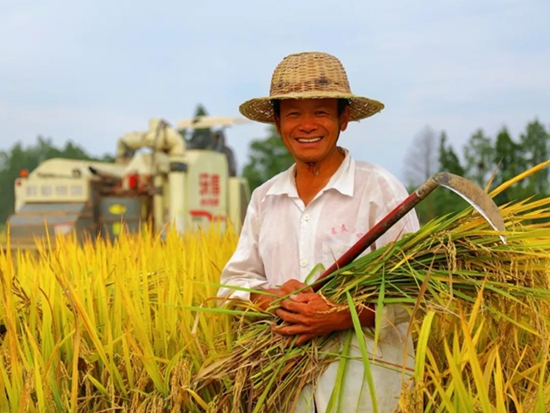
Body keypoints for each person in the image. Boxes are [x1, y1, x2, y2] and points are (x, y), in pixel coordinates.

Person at [217, 51, 420, 413]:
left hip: (367, 394)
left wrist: (342, 314)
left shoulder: (379, 190)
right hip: (285, 392)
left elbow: (416, 289)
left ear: (343, 119)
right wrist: (273, 300)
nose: (307, 125)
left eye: (321, 112)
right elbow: (233, 285)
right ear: (277, 123)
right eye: (293, 113)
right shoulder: (265, 198)